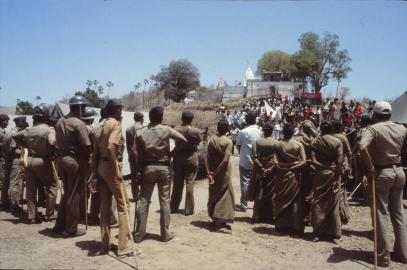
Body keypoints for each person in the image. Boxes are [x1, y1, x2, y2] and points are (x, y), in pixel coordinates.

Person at [360, 101, 407, 267]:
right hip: (399, 172)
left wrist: (371, 167)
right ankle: (403, 254)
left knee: (381, 213)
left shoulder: (374, 129)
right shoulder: (401, 128)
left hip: (382, 172)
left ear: (375, 114)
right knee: (398, 213)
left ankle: (383, 257)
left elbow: (362, 146)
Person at [133, 106, 187, 243]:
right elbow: (183, 140)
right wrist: (172, 153)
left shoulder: (140, 132)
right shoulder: (166, 129)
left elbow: (135, 153)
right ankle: (165, 234)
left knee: (144, 200)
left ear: (149, 117)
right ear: (161, 117)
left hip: (147, 168)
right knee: (164, 201)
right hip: (164, 168)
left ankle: (139, 234)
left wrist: (138, 169)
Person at [90, 99, 133, 257]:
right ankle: (123, 247)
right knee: (124, 206)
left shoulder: (99, 126)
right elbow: (110, 146)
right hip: (111, 167)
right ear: (116, 111)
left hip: (101, 167)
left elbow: (94, 154)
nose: (121, 112)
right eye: (120, 110)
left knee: (105, 207)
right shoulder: (115, 124)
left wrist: (95, 175)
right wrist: (117, 171)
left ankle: (104, 245)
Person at [13, 105, 58, 223]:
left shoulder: (28, 130)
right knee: (51, 187)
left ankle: (31, 216)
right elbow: (52, 141)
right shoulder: (49, 130)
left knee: (31, 190)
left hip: (30, 161)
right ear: (45, 117)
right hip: (43, 161)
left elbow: (14, 136)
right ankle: (49, 215)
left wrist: (25, 144)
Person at [53, 96, 91, 236]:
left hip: (61, 159)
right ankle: (71, 228)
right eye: (84, 107)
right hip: (74, 160)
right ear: (80, 107)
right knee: (74, 194)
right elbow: (86, 145)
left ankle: (60, 225)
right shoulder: (78, 123)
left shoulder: (59, 121)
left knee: (67, 193)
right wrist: (90, 155)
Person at [309, 121, 343, 243]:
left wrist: (325, 167)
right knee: (334, 203)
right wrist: (336, 178)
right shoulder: (337, 142)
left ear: (321, 129)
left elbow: (313, 161)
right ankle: (335, 235)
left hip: (320, 175)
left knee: (318, 202)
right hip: (334, 173)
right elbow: (339, 162)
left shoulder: (315, 142)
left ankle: (316, 233)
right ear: (332, 129)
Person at [273, 123, 306, 235]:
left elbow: (276, 163)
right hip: (294, 176)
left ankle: (281, 226)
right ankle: (295, 227)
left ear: (283, 132)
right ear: (293, 133)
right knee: (295, 201)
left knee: (281, 199)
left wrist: (285, 165)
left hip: (281, 176)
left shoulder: (277, 145)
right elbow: (303, 161)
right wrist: (292, 165)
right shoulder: (298, 145)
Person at [206, 120, 235, 233]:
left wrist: (209, 172)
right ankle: (219, 224)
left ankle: (214, 219)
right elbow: (225, 160)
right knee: (224, 196)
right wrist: (216, 172)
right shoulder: (228, 142)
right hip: (222, 173)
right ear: (227, 129)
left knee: (214, 193)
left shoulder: (212, 140)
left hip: (213, 171)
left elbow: (207, 157)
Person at [170, 111, 201, 216]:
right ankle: (189, 209)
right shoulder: (195, 131)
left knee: (177, 183)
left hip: (178, 157)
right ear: (191, 119)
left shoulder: (175, 129)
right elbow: (199, 142)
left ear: (181, 118)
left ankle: (173, 207)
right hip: (191, 157)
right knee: (190, 182)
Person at [250, 122, 278, 223]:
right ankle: (270, 216)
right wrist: (270, 168)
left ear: (263, 130)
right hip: (272, 171)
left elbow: (254, 157)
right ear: (272, 131)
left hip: (259, 170)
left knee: (259, 192)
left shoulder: (257, 142)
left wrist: (262, 168)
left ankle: (256, 216)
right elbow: (277, 159)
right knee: (271, 193)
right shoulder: (276, 143)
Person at [235, 112, 262, 212]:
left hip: (245, 161)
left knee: (245, 183)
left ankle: (244, 206)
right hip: (257, 161)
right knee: (256, 183)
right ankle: (256, 205)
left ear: (246, 121)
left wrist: (242, 153)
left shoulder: (243, 132)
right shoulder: (260, 132)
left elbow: (238, 145)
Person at [4, 116, 28, 213]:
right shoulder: (14, 134)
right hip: (15, 160)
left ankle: (11, 203)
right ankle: (14, 205)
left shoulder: (9, 132)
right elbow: (12, 149)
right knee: (15, 183)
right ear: (21, 123)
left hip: (11, 160)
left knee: (11, 182)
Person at [125, 111, 144, 202]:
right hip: (141, 156)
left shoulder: (128, 129)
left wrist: (130, 155)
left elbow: (128, 145)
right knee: (143, 175)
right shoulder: (143, 128)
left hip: (132, 156)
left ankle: (135, 196)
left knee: (133, 176)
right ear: (141, 118)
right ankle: (143, 196)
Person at [0, 114, 10, 209]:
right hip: (1, 159)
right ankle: (4, 202)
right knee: (3, 181)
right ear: (2, 121)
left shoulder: (3, 131)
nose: (7, 123)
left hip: (3, 158)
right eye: (6, 121)